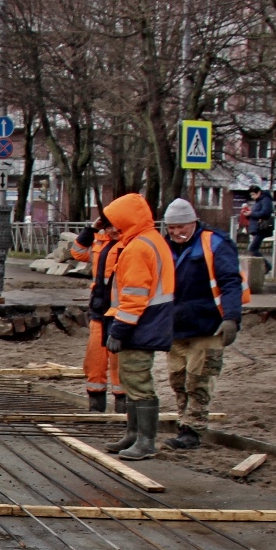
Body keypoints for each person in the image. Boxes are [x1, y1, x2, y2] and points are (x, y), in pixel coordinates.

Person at [160, 197, 244, 450]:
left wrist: (231, 317)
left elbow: (230, 282)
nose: (176, 232)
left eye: (181, 227)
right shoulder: (165, 246)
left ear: (193, 222)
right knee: (178, 380)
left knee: (199, 380)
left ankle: (192, 430)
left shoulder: (215, 243)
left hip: (208, 325)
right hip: (176, 326)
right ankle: (183, 422)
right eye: (171, 228)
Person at [99, 193, 175, 461]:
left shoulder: (137, 248)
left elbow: (134, 296)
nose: (111, 229)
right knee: (132, 379)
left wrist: (119, 329)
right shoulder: (151, 240)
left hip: (141, 324)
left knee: (137, 379)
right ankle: (133, 435)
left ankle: (145, 441)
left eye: (114, 223)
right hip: (149, 321)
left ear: (125, 220)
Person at [69, 216, 125, 414]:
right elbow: (77, 252)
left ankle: (122, 409)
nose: (113, 230)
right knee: (95, 362)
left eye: (117, 226)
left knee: (120, 365)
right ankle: (96, 407)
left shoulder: (132, 244)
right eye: (108, 226)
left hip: (120, 314)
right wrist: (91, 229)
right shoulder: (100, 242)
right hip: (99, 312)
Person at [244, 184, 274, 259]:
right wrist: (248, 215)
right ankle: (264, 264)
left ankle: (265, 264)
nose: (252, 197)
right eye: (251, 195)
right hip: (257, 228)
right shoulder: (258, 201)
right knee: (253, 249)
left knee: (252, 249)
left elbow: (266, 213)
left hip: (261, 228)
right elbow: (256, 214)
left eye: (253, 194)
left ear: (259, 192)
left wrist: (251, 213)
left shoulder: (265, 200)